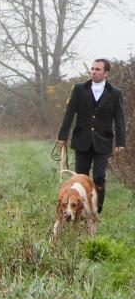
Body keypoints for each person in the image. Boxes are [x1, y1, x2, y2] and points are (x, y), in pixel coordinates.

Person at [57, 58, 126, 214]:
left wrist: (120, 142)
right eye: (92, 69)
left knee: (99, 178)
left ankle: (96, 211)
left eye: (98, 69)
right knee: (80, 178)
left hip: (103, 142)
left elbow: (120, 118)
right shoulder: (79, 89)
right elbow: (69, 114)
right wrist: (63, 136)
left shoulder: (115, 93)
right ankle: (77, 210)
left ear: (106, 73)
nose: (94, 72)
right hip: (82, 140)